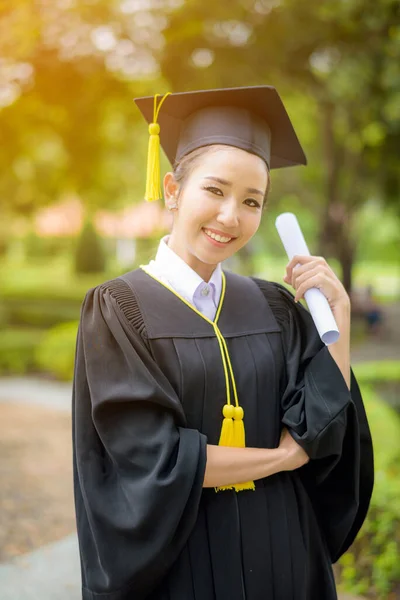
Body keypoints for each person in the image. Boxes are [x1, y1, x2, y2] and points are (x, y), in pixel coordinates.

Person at [72, 86, 374, 600]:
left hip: (286, 557)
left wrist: (338, 317)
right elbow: (156, 460)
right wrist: (280, 459)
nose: (231, 216)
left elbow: (323, 425)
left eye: (252, 201)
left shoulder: (276, 307)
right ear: (172, 189)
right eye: (215, 190)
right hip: (184, 566)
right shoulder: (119, 309)